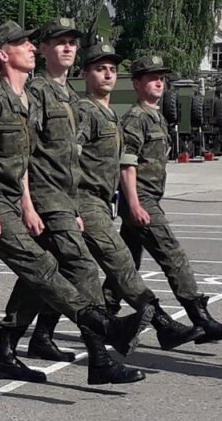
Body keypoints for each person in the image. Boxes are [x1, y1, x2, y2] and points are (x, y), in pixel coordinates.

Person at [0, 22, 137, 396]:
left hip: (8, 199)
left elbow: (23, 163)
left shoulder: (25, 102)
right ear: (4, 54)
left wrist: (26, 203)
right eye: (22, 43)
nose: (31, 47)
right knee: (41, 265)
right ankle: (101, 325)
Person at [6, 16, 117, 373]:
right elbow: (24, 152)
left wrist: (75, 207)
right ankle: (100, 358)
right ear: (44, 49)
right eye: (59, 42)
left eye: (72, 42)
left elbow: (71, 158)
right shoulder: (37, 91)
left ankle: (5, 352)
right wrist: (27, 205)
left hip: (64, 202)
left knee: (39, 279)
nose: (68, 47)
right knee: (84, 271)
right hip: (44, 200)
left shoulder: (70, 95)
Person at [74, 46, 198, 351]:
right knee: (122, 265)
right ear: (85, 75)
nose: (107, 74)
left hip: (104, 203)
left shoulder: (111, 116)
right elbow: (69, 161)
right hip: (85, 202)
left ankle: (33, 337)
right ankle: (163, 324)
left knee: (58, 272)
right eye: (100, 68)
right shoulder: (85, 112)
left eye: (112, 69)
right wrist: (72, 206)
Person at [118, 55, 222, 344]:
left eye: (161, 76)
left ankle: (104, 319)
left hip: (148, 199)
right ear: (137, 83)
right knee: (172, 255)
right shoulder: (136, 118)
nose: (159, 81)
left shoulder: (156, 116)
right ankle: (201, 318)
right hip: (142, 199)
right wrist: (135, 204)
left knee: (123, 267)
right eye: (151, 77)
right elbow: (127, 164)